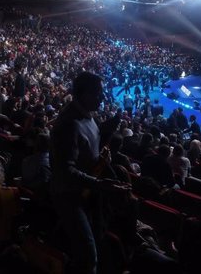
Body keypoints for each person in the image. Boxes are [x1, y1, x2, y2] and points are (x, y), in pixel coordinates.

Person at [50, 71, 127, 274]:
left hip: (86, 193)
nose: (103, 97)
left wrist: (106, 130)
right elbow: (66, 170)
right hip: (69, 197)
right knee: (88, 256)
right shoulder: (69, 124)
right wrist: (101, 184)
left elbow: (87, 144)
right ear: (82, 94)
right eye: (98, 93)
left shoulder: (87, 115)